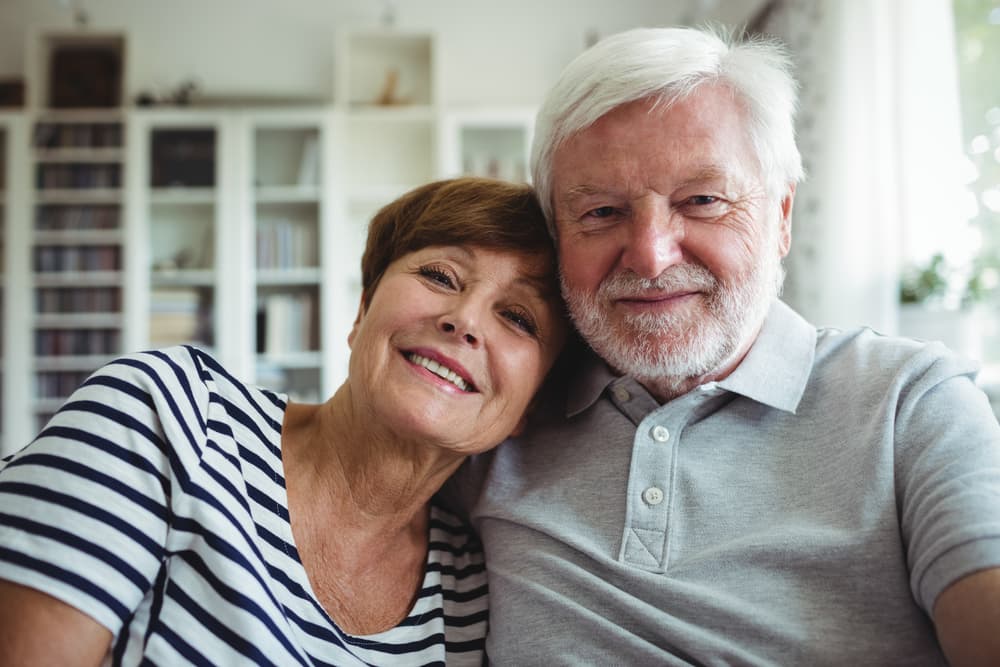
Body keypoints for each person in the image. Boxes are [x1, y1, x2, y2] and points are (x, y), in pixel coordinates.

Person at [447, 26, 1000, 665]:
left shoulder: (913, 404)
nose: (651, 257)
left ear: (781, 217)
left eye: (702, 200)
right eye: (600, 212)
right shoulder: (499, 407)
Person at [0, 177, 567, 666]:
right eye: (441, 276)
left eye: (518, 318)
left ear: (532, 406)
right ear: (362, 311)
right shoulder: (169, 410)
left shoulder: (470, 589)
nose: (464, 320)